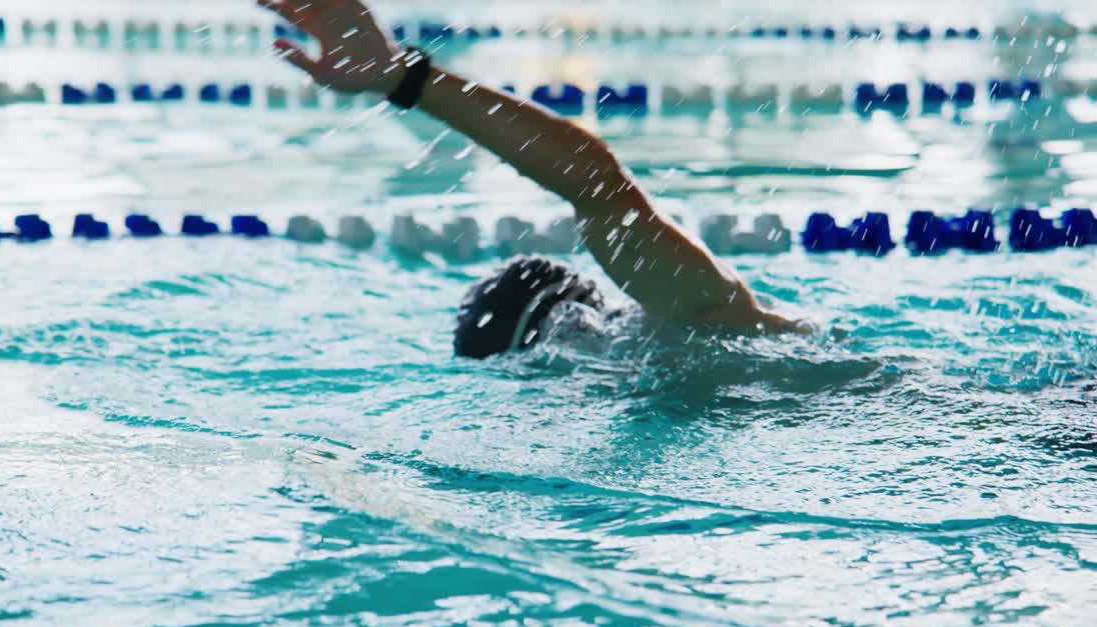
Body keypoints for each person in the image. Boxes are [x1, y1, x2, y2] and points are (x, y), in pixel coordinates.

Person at [258, 0, 807, 360]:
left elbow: (595, 185)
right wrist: (403, 76)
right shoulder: (697, 321)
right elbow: (597, 187)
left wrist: (401, 75)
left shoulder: (686, 326)